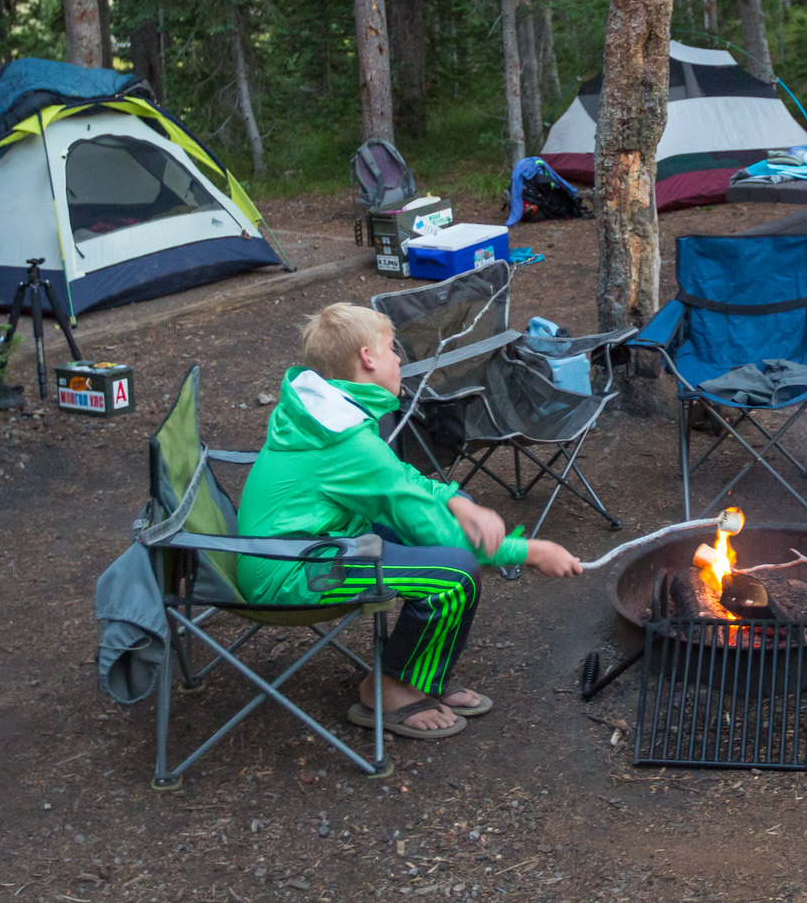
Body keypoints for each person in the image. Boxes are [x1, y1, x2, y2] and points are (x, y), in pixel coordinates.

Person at [236, 302, 583, 740]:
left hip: (312, 543)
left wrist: (457, 500)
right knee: (454, 573)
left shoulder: (325, 413)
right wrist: (531, 551)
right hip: (292, 570)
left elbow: (400, 480)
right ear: (367, 358)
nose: (400, 359)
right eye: (391, 348)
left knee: (455, 530)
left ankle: (418, 677)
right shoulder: (346, 443)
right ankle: (386, 687)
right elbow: (422, 521)